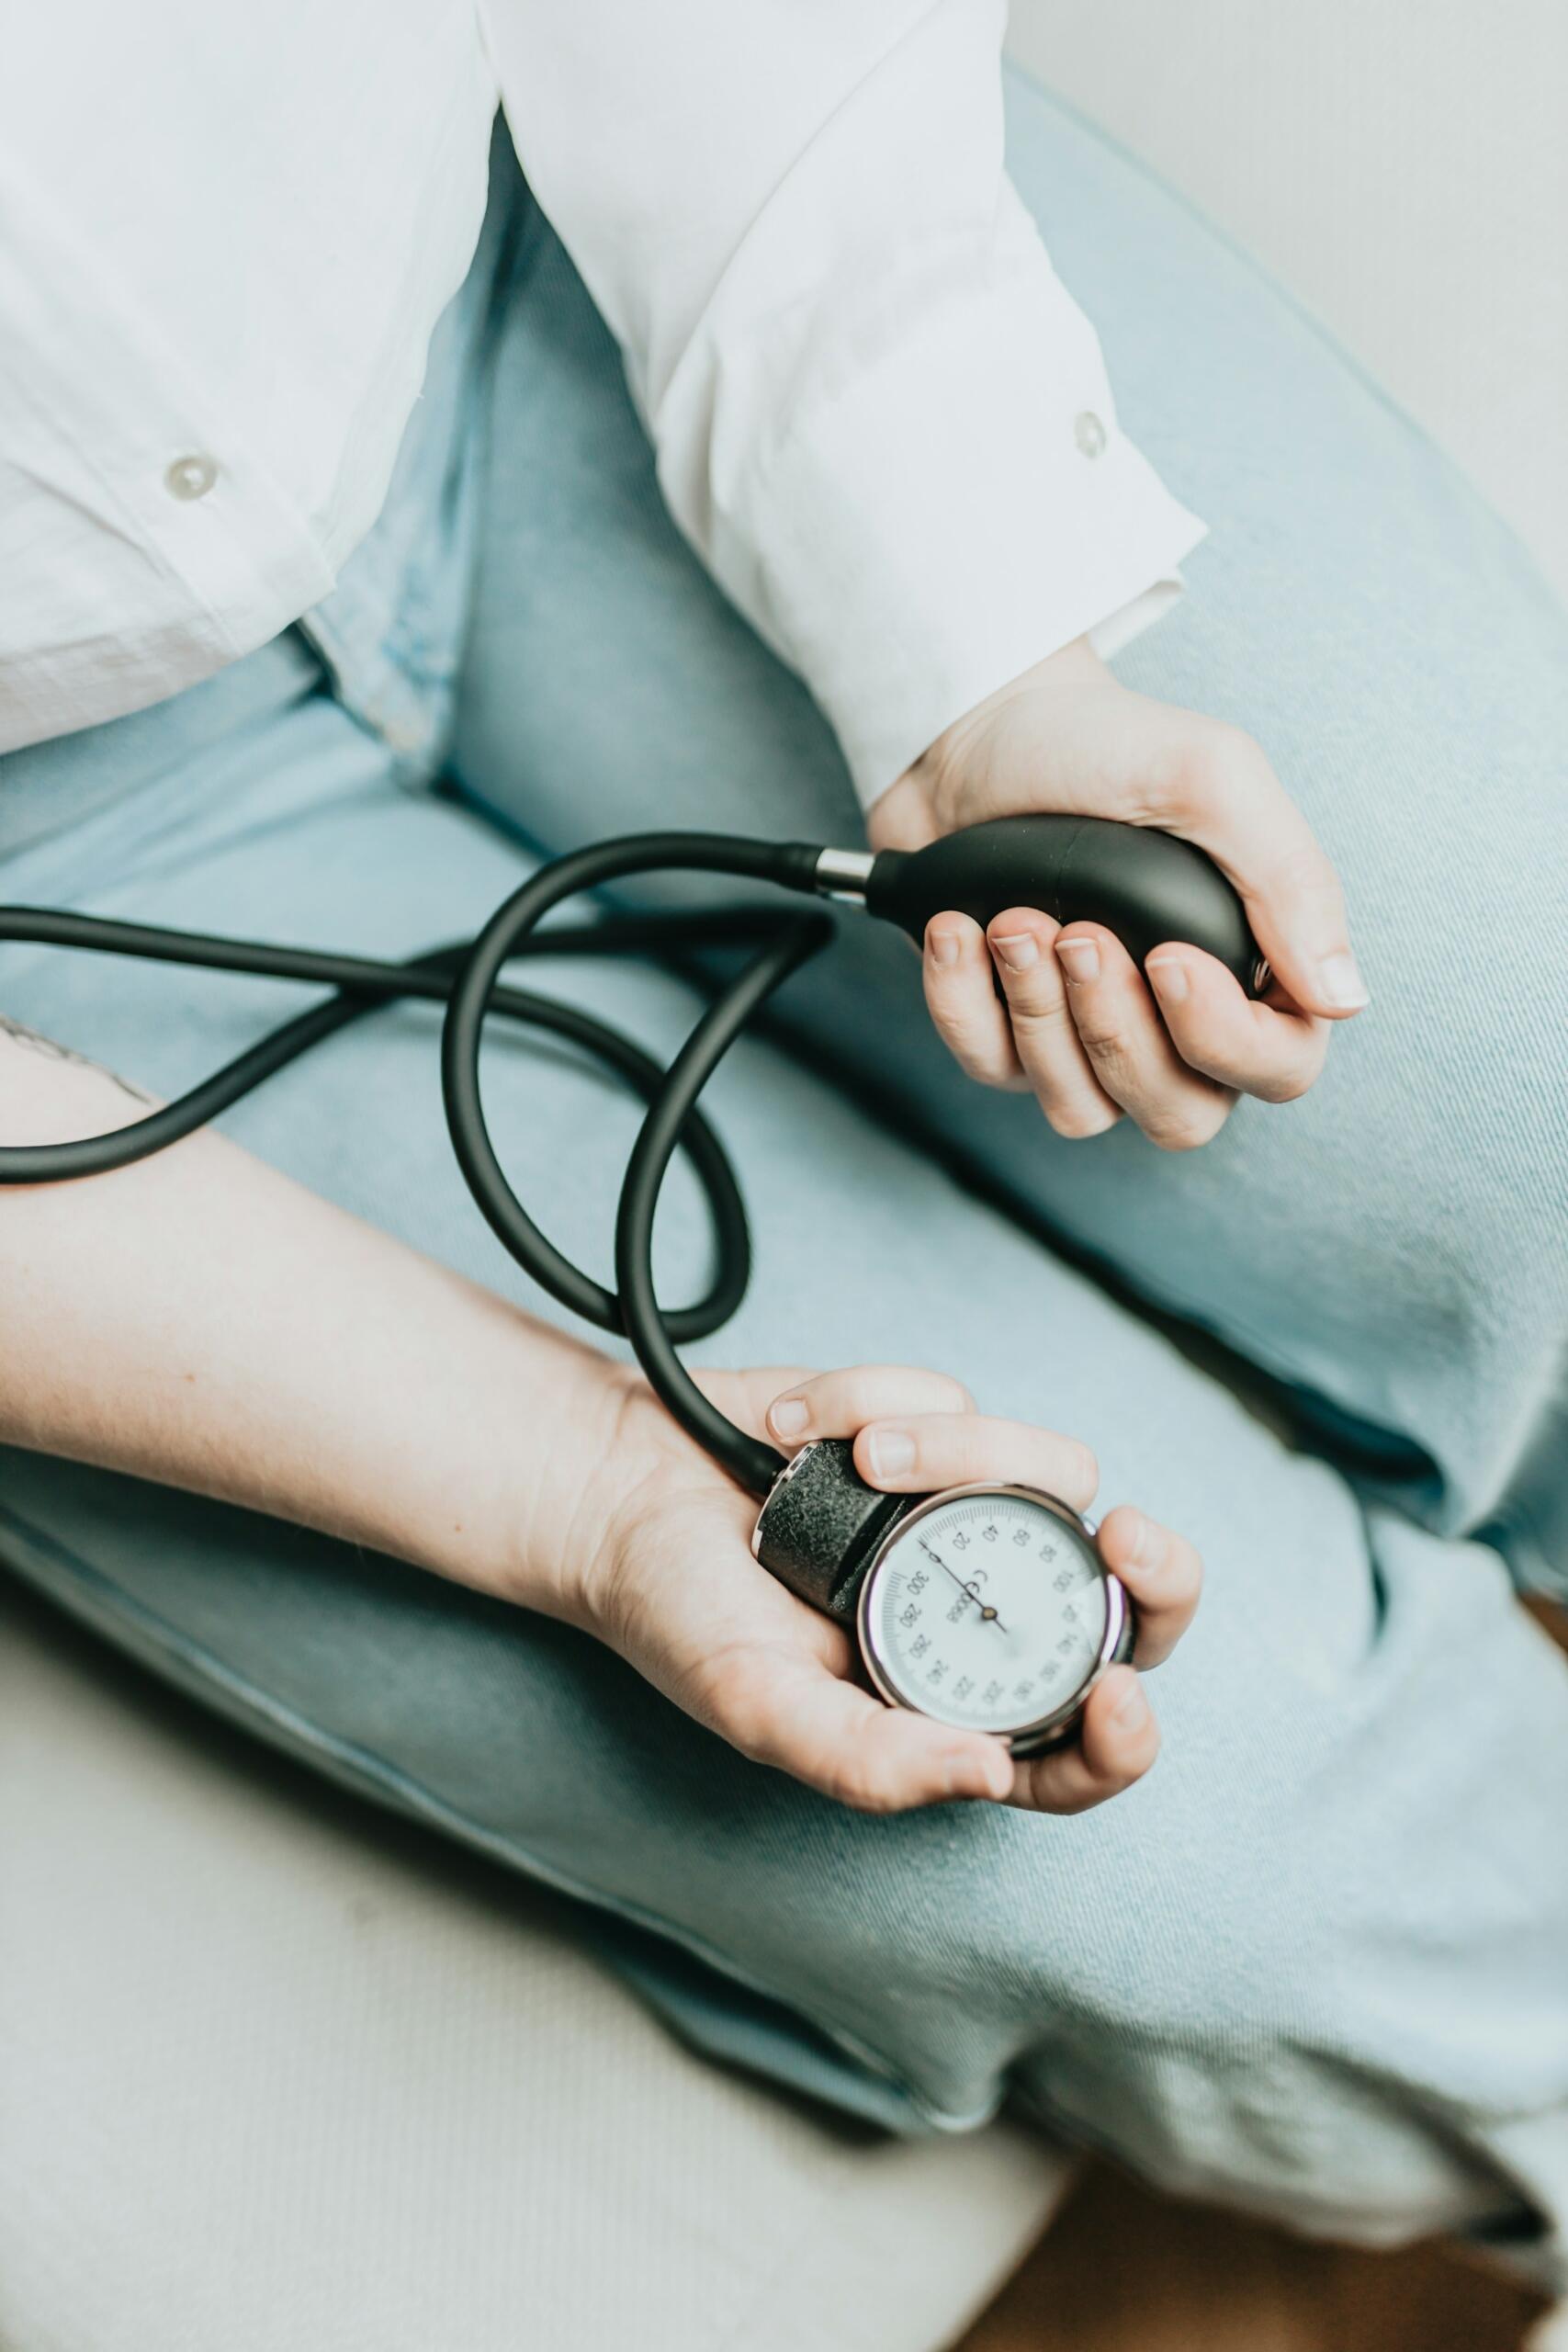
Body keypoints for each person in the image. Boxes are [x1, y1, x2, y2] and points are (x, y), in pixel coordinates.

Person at [3, 0, 1565, 2292]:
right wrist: (572, 1481)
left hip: (538, 239)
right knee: (1185, 1865)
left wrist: (976, 626)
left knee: (1500, 1067)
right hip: (65, 903)